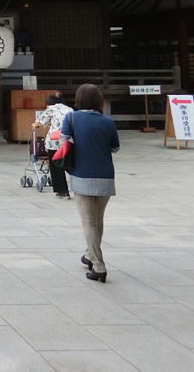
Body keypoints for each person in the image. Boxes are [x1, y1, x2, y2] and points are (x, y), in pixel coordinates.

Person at [62, 83, 119, 283]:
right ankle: (89, 255)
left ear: (79, 99)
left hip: (81, 174)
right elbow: (115, 148)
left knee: (89, 222)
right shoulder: (108, 121)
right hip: (105, 175)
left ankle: (99, 266)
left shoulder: (71, 118)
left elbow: (63, 143)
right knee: (98, 219)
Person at [33, 91, 74, 199]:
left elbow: (40, 122)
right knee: (68, 162)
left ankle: (62, 191)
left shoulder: (51, 109)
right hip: (68, 140)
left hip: (54, 141)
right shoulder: (70, 109)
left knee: (56, 165)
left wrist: (34, 125)